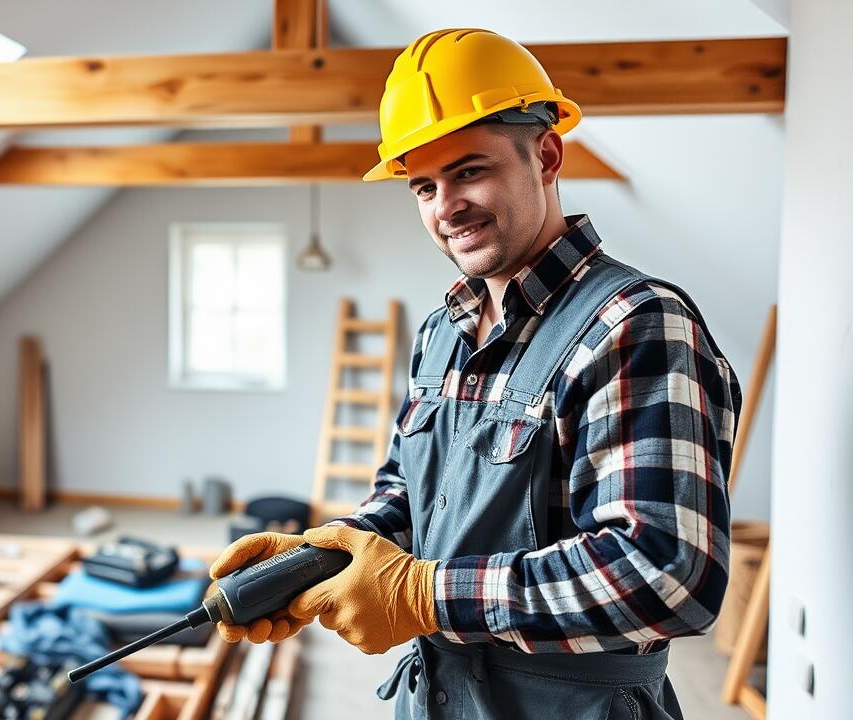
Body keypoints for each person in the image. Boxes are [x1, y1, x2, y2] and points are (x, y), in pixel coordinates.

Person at [210, 28, 741, 719]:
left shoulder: (635, 326)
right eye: (423, 187)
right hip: (438, 695)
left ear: (545, 155)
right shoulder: (441, 334)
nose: (445, 207)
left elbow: (667, 573)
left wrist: (424, 596)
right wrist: (323, 557)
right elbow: (409, 498)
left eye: (468, 171)